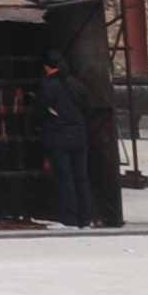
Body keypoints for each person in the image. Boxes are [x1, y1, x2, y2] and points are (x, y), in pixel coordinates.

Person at [40, 54, 97, 230]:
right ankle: (86, 219)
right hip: (79, 135)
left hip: (60, 136)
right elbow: (89, 108)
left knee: (66, 177)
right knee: (81, 178)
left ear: (47, 67)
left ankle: (69, 219)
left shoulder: (49, 85)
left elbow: (40, 110)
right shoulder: (76, 84)